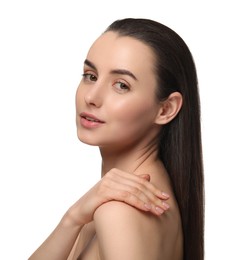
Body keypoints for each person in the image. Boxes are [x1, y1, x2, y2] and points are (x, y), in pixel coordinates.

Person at [29, 18, 204, 260]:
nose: (92, 96)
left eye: (121, 85)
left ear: (165, 109)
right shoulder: (119, 200)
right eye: (90, 76)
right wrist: (73, 218)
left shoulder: (118, 212)